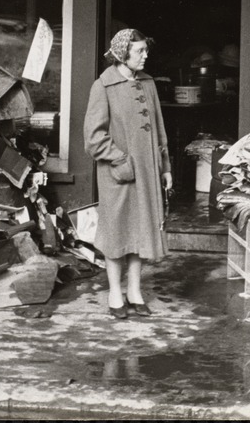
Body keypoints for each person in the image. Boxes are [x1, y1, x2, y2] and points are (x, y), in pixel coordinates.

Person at [84, 29, 173, 320]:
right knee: (116, 234)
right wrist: (120, 160)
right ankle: (114, 293)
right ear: (123, 54)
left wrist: (165, 167)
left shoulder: (148, 84)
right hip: (117, 176)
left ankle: (134, 292)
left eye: (146, 50)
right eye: (140, 52)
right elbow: (93, 138)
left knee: (140, 232)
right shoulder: (104, 86)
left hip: (147, 174)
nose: (146, 56)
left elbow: (159, 129)